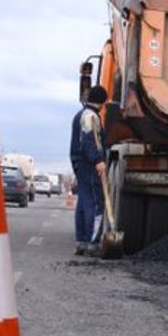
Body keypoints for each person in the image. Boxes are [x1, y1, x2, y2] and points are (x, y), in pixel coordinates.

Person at [70, 85, 108, 257]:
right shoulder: (91, 116)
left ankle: (81, 242)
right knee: (94, 202)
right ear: (103, 101)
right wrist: (98, 160)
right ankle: (92, 243)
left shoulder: (81, 114)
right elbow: (88, 141)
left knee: (83, 202)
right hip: (88, 164)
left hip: (80, 162)